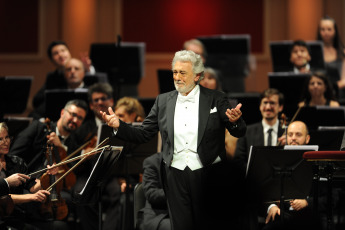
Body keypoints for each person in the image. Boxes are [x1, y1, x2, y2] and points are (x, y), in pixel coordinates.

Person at [101, 50, 246, 230]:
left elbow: (238, 132)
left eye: (182, 73)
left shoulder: (216, 98)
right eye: (175, 72)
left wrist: (235, 121)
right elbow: (144, 133)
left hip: (208, 174)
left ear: (197, 76)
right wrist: (119, 126)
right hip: (175, 174)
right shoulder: (163, 101)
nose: (177, 77)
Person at [0, 122, 68, 230]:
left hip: (19, 215)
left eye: (7, 137)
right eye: (1, 139)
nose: (6, 142)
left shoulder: (16, 162)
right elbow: (2, 197)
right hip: (3, 218)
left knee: (60, 227)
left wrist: (49, 174)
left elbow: (33, 187)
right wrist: (30, 197)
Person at [263, 120, 320, 230]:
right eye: (290, 134)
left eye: (298, 135)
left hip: (309, 218)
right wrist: (272, 206)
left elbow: (331, 197)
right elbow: (264, 191)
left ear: (307, 138)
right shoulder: (276, 161)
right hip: (282, 216)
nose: (293, 138)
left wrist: (307, 202)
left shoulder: (317, 163)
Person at [30, 41, 94, 120]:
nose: (60, 55)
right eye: (56, 53)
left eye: (63, 50)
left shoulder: (87, 73)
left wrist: (89, 70)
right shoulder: (53, 78)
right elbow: (38, 101)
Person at [234, 88, 286, 169]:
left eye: (272, 103)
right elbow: (238, 160)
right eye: (265, 103)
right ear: (260, 106)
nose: (268, 107)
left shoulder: (288, 132)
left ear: (280, 107)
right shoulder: (246, 131)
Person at [317, 16, 345, 99]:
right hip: (317, 93)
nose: (326, 32)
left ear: (335, 31)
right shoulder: (314, 52)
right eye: (323, 29)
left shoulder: (342, 52)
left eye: (329, 29)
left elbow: (344, 80)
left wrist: (330, 89)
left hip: (338, 93)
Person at [141, 152, 170, 230]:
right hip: (159, 215)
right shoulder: (153, 162)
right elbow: (151, 193)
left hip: (183, 214)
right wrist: (174, 192)